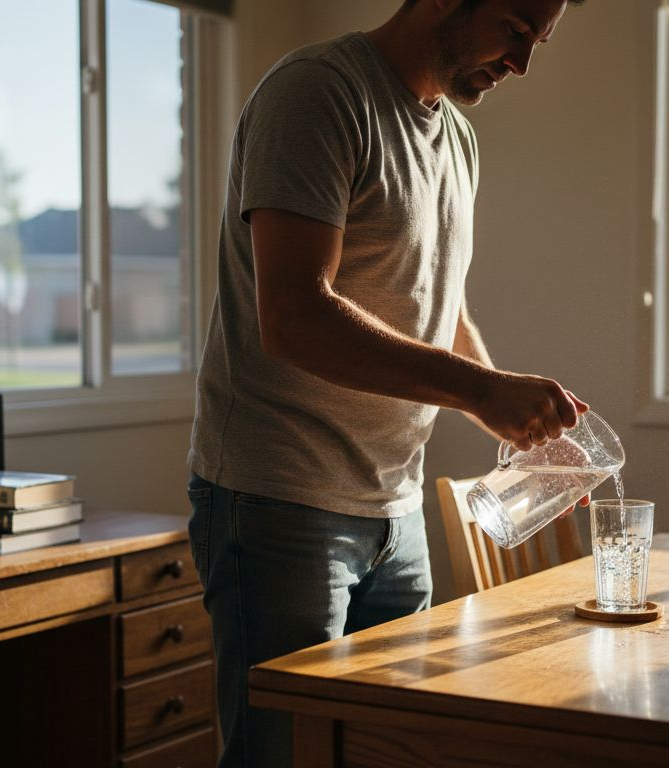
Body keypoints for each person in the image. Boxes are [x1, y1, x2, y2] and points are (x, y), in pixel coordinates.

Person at [186, 0, 584, 764]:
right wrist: (476, 390)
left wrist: (506, 403)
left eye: (538, 41)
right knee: (282, 755)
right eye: (514, 30)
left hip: (395, 511)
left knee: (389, 749)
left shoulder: (458, 139)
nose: (523, 62)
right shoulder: (316, 95)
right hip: (278, 502)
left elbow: (436, 302)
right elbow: (294, 315)